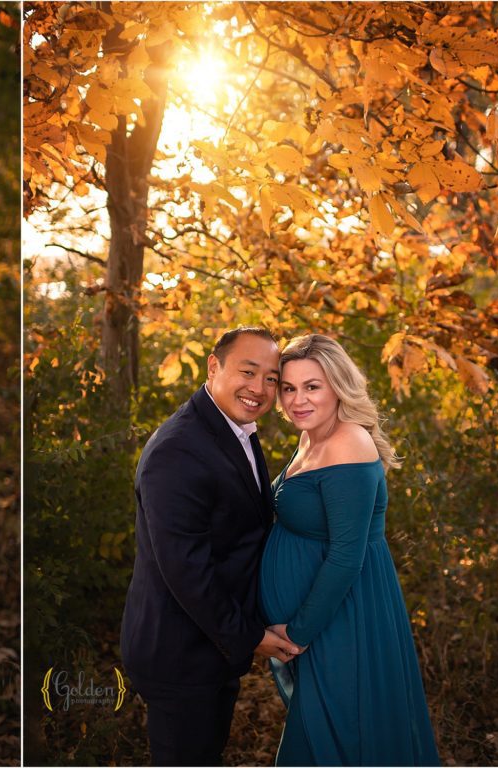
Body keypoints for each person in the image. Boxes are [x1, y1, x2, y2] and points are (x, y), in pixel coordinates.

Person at [121, 327, 303, 767]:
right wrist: (250, 636)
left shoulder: (231, 429)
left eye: (271, 378)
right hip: (179, 652)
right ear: (214, 366)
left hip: (209, 647)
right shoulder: (179, 450)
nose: (259, 388)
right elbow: (186, 570)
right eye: (248, 371)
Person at [260, 334, 439, 766]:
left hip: (344, 616)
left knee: (337, 737)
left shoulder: (348, 442)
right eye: (289, 387)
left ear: (338, 386)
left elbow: (345, 556)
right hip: (320, 615)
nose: (298, 399)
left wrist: (298, 633)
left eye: (312, 386)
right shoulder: (311, 437)